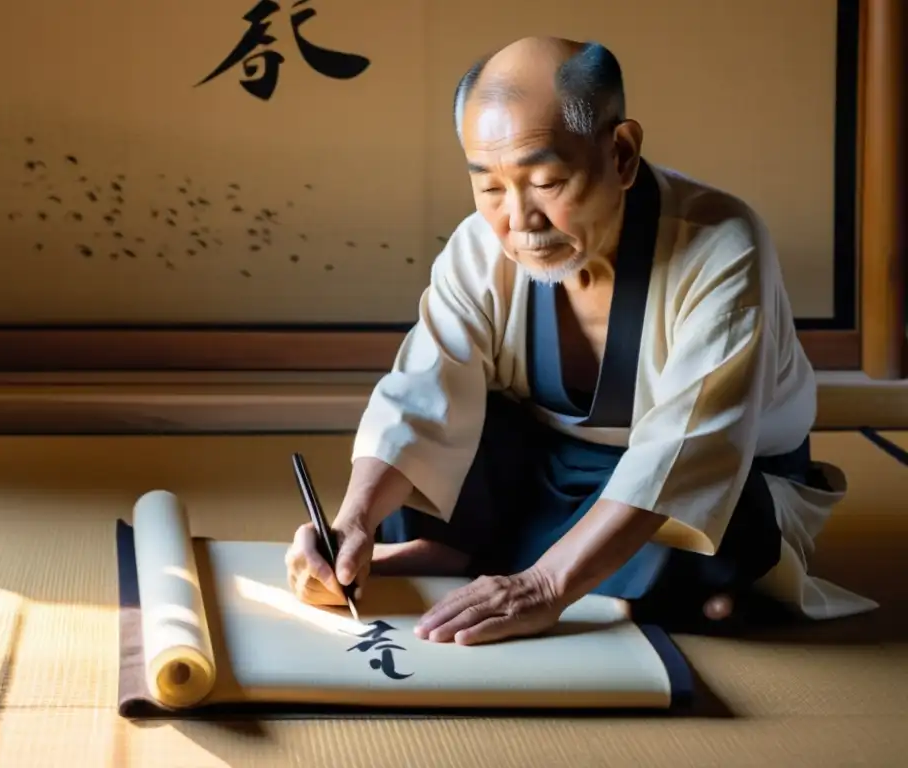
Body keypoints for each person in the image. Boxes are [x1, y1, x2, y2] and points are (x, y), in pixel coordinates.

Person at [284, 36, 877, 645]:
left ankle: (498, 558)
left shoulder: (721, 245)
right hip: (548, 462)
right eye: (489, 187)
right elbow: (421, 392)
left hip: (709, 474)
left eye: (546, 181)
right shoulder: (479, 247)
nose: (518, 220)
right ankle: (550, 570)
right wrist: (351, 522)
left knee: (714, 527)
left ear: (621, 154)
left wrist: (544, 586)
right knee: (438, 450)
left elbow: (685, 452)